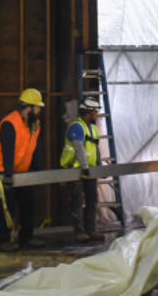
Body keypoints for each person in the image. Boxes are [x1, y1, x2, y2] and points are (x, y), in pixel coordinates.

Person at [0, 88, 45, 251]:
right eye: (37, 107)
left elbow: (35, 149)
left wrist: (35, 171)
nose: (39, 110)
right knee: (7, 207)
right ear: (29, 107)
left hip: (22, 171)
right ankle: (3, 241)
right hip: (3, 171)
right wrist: (7, 175)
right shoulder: (10, 124)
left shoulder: (35, 125)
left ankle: (26, 238)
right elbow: (7, 151)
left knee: (28, 204)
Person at [60, 98, 103, 242]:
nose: (97, 115)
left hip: (89, 169)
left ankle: (91, 230)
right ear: (89, 112)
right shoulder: (77, 127)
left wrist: (98, 165)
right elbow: (78, 148)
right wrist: (84, 166)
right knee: (76, 200)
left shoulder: (93, 128)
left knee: (92, 200)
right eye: (96, 112)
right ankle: (79, 231)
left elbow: (95, 148)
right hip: (76, 169)